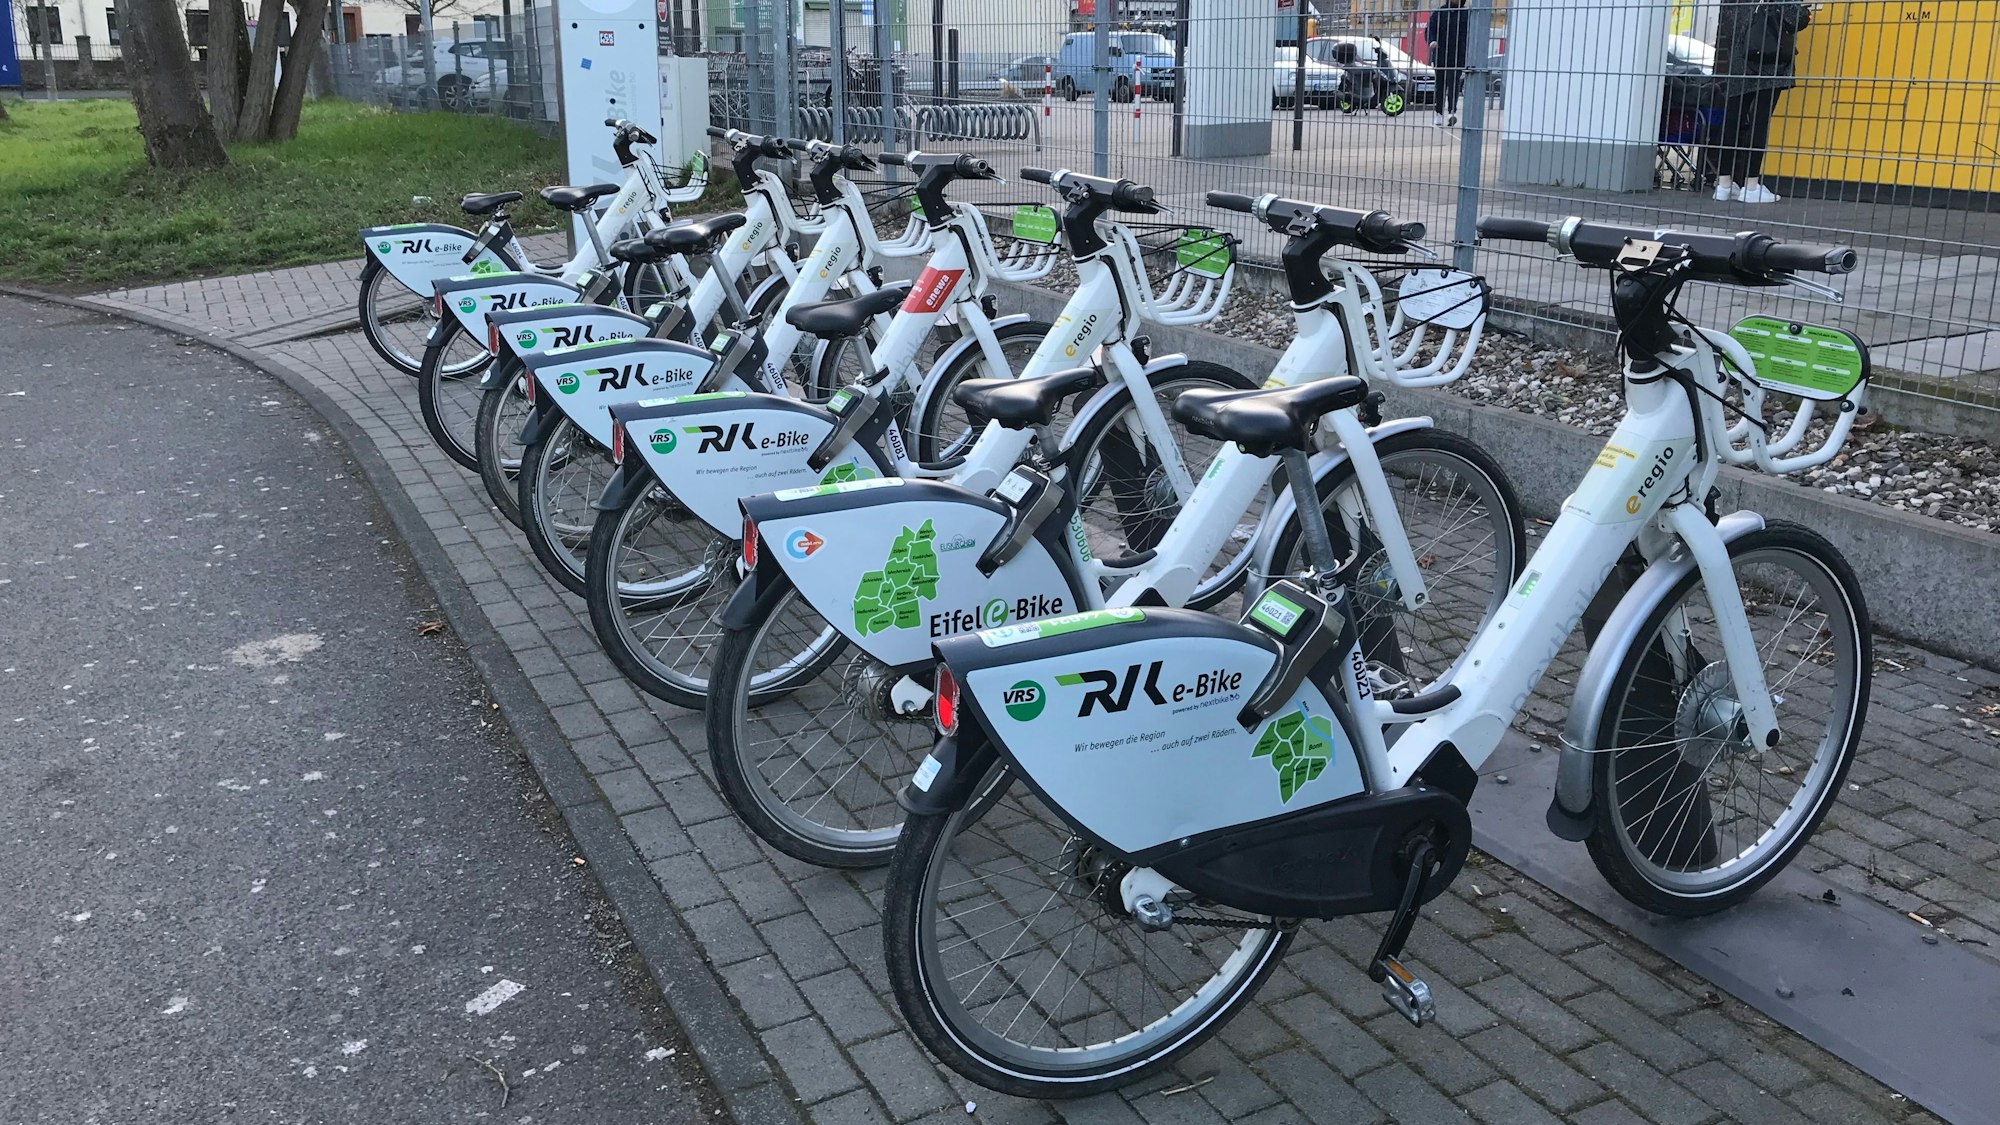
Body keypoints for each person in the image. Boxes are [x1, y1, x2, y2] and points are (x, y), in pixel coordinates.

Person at [1712, 0, 1812, 203]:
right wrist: (1804, 11)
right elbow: (1794, 19)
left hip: (1740, 62)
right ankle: (1751, 186)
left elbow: (1728, 24)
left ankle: (1724, 185)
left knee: (1732, 121)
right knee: (1760, 122)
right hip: (1770, 65)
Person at [1426, 0, 1469, 127]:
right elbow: (1429, 29)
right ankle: (1439, 113)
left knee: (1453, 84)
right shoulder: (1439, 12)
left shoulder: (1466, 14)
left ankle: (1452, 112)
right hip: (1440, 55)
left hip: (1457, 56)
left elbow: (1470, 33)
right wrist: (1432, 41)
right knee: (1440, 85)